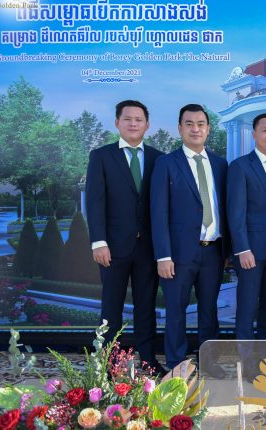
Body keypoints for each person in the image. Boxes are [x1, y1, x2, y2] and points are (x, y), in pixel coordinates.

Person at [85, 100, 166, 375]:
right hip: (113, 247)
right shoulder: (101, 156)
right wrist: (99, 241)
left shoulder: (158, 158)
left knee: (146, 306)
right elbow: (94, 202)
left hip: (148, 247)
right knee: (111, 307)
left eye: (139, 119)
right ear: (117, 122)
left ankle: (148, 360)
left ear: (147, 124)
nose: (133, 123)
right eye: (128, 119)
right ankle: (110, 364)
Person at [150, 104, 228, 373]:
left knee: (209, 310)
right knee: (176, 310)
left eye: (201, 124)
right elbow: (158, 212)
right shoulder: (166, 164)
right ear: (180, 128)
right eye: (189, 124)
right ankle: (176, 364)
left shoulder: (220, 164)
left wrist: (228, 251)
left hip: (213, 251)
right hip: (178, 253)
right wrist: (163, 255)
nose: (196, 129)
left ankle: (209, 362)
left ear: (208, 129)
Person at [227, 113, 266, 341]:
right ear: (254, 134)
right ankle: (246, 356)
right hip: (250, 250)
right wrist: (242, 249)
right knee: (247, 305)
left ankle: (265, 353)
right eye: (265, 130)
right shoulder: (240, 166)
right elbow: (236, 212)